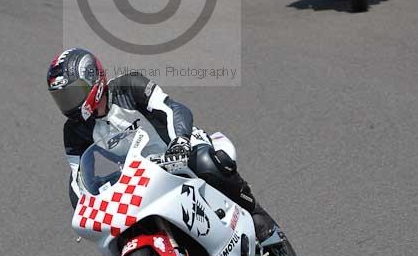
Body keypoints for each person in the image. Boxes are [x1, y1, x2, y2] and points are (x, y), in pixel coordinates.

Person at [47, 47, 276, 242]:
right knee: (122, 229)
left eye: (73, 93)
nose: (69, 104)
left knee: (209, 163)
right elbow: (78, 179)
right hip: (140, 176)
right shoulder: (74, 131)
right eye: (62, 98)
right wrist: (85, 211)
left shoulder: (129, 86)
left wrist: (180, 142)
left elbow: (174, 109)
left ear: (93, 80)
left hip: (178, 148)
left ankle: (255, 212)